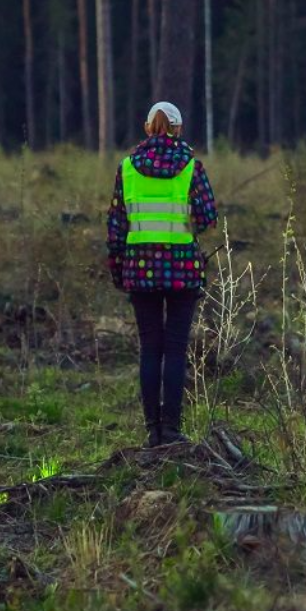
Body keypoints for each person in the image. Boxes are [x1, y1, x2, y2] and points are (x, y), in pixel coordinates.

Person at [108, 101, 219, 447]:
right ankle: (171, 429)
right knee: (175, 348)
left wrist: (119, 271)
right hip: (183, 271)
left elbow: (116, 227)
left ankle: (151, 431)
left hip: (139, 272)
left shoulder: (126, 168)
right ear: (178, 129)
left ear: (147, 127)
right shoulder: (191, 166)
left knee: (149, 348)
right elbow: (206, 218)